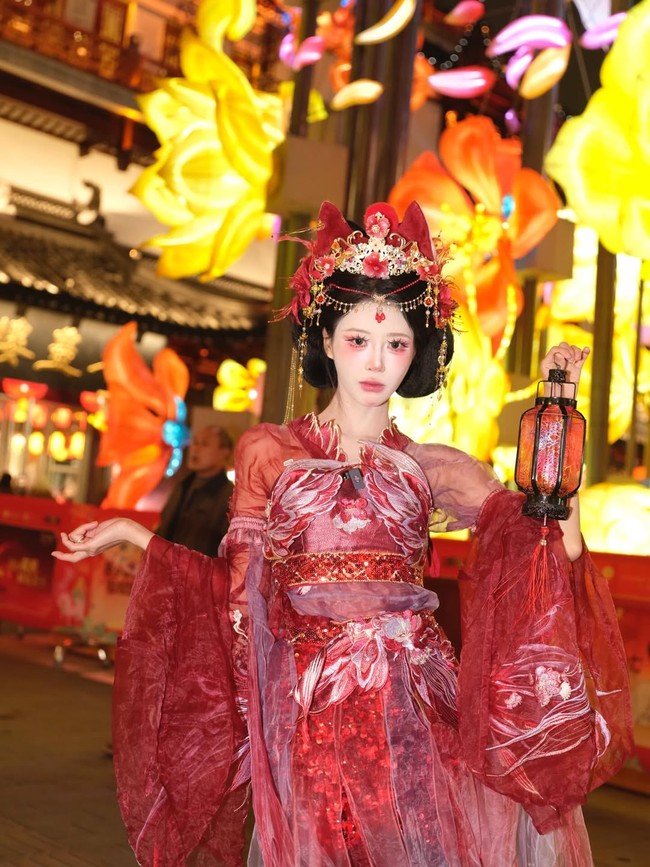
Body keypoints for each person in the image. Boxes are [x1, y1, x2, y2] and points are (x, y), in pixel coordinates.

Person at [54, 201, 632, 867]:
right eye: (358, 340)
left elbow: (552, 545)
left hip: (417, 715)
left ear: (417, 351)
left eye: (396, 343)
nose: (376, 361)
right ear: (326, 341)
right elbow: (242, 601)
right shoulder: (269, 451)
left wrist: (558, 412)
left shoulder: (434, 467)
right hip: (309, 714)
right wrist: (138, 536)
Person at [157, 425, 234, 556]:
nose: (196, 449)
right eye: (195, 442)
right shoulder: (183, 485)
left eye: (204, 444)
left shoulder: (229, 497)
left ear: (224, 452)